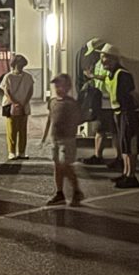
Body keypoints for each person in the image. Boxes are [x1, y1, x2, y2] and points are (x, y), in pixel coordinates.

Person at [89, 44, 139, 189]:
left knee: (130, 145)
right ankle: (126, 173)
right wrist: (92, 76)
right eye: (101, 57)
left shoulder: (123, 74)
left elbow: (133, 94)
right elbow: (103, 78)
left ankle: (131, 176)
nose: (102, 61)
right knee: (124, 144)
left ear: (113, 59)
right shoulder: (111, 74)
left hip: (128, 113)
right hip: (119, 113)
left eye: (105, 58)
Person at [41, 73, 84, 206]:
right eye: (56, 85)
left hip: (67, 140)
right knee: (57, 166)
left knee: (65, 165)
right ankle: (59, 193)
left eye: (62, 85)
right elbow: (50, 118)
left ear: (68, 87)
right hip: (55, 139)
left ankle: (76, 190)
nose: (59, 88)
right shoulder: (53, 102)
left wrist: (70, 130)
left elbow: (78, 119)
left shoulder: (71, 103)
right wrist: (44, 137)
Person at [0, 54, 33, 160]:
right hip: (11, 106)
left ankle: (22, 151)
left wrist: (24, 102)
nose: (20, 67)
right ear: (14, 64)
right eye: (19, 64)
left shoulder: (28, 77)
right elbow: (6, 92)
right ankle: (12, 151)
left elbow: (30, 91)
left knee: (23, 130)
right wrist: (15, 103)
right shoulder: (8, 77)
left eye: (22, 65)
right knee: (11, 130)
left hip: (23, 105)